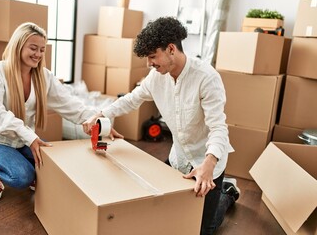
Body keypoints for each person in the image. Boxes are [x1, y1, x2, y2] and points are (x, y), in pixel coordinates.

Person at [83, 16, 240, 234]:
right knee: (166, 216)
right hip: (179, 158)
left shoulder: (206, 78)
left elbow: (219, 128)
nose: (149, 64)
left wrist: (209, 164)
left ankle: (227, 193)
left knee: (204, 229)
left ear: (171, 49)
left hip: (208, 163)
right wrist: (100, 114)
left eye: (152, 57)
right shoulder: (156, 77)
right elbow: (131, 99)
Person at [0, 22, 122, 202]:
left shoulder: (44, 77)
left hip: (24, 141)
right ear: (18, 46)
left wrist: (99, 122)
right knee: (23, 177)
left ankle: (28, 171)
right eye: (33, 48)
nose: (38, 54)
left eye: (41, 50)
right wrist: (29, 137)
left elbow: (69, 103)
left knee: (55, 165)